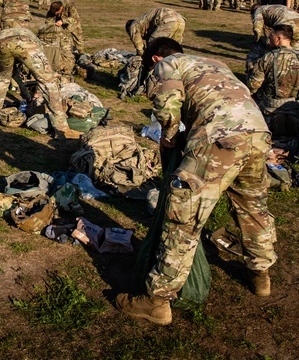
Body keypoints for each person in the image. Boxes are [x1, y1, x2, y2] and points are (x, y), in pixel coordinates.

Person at [117, 38, 276, 325]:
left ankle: (157, 301)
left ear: (155, 59)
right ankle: (260, 273)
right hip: (257, 133)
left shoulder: (167, 64)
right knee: (253, 207)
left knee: (183, 218)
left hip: (219, 138)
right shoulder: (216, 63)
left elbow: (167, 105)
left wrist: (168, 137)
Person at [0, 27, 81, 140]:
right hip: (25, 43)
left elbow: (12, 73)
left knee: (3, 77)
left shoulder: (3, 33)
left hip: (1, 44)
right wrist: (37, 94)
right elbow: (42, 77)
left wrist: (27, 96)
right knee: (48, 83)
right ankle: (62, 129)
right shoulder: (35, 42)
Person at [246, 24, 299, 137]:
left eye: (271, 35)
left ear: (278, 39)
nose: (269, 38)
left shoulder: (267, 58)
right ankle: (295, 121)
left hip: (271, 107)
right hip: (296, 106)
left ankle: (275, 121)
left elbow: (253, 85)